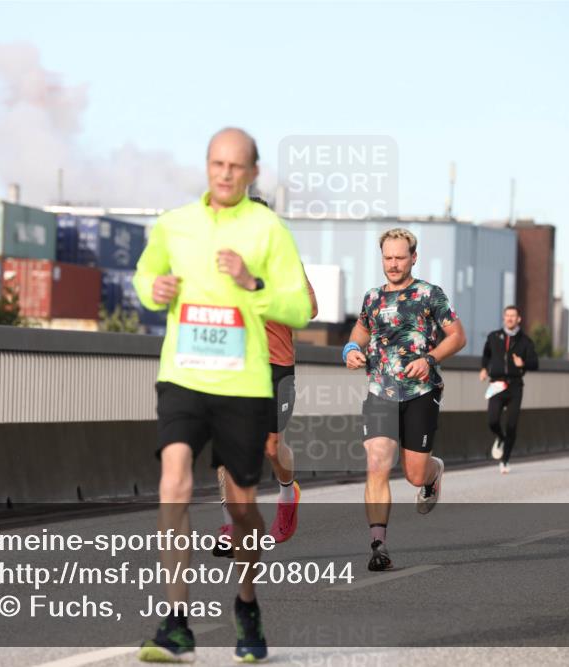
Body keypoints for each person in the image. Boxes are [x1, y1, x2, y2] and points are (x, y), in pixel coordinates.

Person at [133, 128, 313, 663]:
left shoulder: (269, 230)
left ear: (253, 172)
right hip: (184, 375)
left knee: (242, 513)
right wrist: (153, 290)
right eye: (217, 163)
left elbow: (301, 308)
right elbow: (144, 276)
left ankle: (247, 603)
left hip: (243, 383)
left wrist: (254, 283)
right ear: (207, 166)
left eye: (236, 166)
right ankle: (176, 622)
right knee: (175, 482)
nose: (225, 173)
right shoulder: (175, 225)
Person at [343, 228, 466, 571]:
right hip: (380, 390)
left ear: (414, 257)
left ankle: (432, 473)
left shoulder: (430, 294)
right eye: (387, 258)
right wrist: (352, 348)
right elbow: (361, 330)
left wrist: (430, 359)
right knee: (377, 462)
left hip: (420, 392)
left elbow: (458, 336)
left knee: (414, 474)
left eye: (400, 257)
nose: (393, 264)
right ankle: (378, 545)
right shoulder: (372, 298)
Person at [214, 196, 319, 556]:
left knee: (271, 447)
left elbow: (310, 308)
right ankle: (231, 526)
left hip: (278, 365)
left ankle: (288, 491)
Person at [479, 305, 539, 474]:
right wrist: (484, 368)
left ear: (519, 319)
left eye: (513, 316)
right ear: (504, 318)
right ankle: (500, 437)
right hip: (497, 384)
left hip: (515, 386)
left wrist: (523, 363)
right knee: (492, 420)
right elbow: (486, 355)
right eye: (507, 316)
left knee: (512, 424)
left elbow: (535, 363)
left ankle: (504, 460)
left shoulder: (525, 341)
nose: (510, 319)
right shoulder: (493, 337)